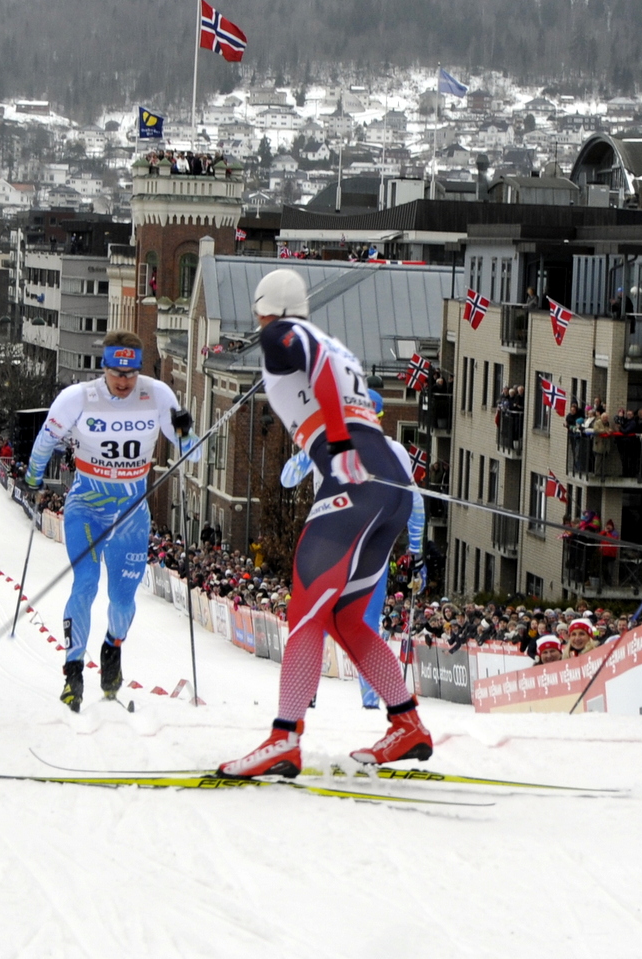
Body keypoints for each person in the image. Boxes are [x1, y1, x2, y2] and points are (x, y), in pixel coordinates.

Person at [219, 268, 431, 778]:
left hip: (352, 481)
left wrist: (335, 441)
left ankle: (283, 738)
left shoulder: (280, 333)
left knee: (307, 609)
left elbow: (313, 367)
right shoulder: (328, 343)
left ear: (263, 308)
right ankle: (407, 725)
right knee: (345, 619)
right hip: (389, 489)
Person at [24, 329, 199, 712]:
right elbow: (44, 441)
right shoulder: (78, 398)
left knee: (122, 599)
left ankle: (112, 649)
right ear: (103, 367)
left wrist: (186, 430)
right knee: (85, 582)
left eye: (130, 373)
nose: (123, 381)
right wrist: (33, 478)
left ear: (139, 370)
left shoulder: (157, 395)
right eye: (116, 373)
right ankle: (73, 671)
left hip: (131, 511)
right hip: (86, 503)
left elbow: (192, 453)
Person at [279, 388, 425, 709]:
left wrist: (417, 552)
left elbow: (415, 502)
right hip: (330, 544)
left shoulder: (394, 452)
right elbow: (287, 479)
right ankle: (306, 697)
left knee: (363, 623)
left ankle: (371, 704)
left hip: (368, 547)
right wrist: (303, 455)